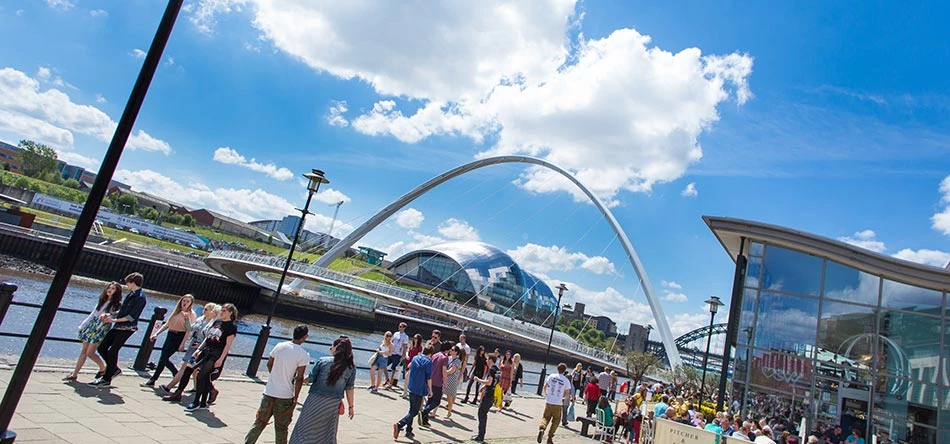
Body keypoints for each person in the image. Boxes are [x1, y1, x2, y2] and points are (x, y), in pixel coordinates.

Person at [245, 325, 311, 444]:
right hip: (285, 395)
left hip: (270, 391)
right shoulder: (303, 354)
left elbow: (269, 363)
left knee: (259, 422)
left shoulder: (279, 346)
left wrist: (274, 375)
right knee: (281, 428)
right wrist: (296, 397)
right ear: (305, 337)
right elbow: (299, 377)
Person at [289, 336, 356, 444]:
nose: (330, 348)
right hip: (332, 404)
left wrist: (296, 376)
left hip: (314, 400)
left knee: (304, 428)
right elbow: (349, 389)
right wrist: (351, 407)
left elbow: (309, 379)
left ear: (336, 348)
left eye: (332, 346)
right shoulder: (351, 367)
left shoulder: (322, 361)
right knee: (326, 433)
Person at [90, 272, 146, 387]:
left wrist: (113, 320)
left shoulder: (140, 298)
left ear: (132, 282)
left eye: (128, 283)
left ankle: (106, 378)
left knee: (113, 350)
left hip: (127, 328)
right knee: (102, 347)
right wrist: (110, 315)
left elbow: (131, 317)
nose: (126, 285)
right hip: (118, 326)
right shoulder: (131, 294)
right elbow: (123, 311)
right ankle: (113, 369)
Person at [183, 303, 238, 411]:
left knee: (202, 376)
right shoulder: (217, 322)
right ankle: (203, 402)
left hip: (216, 354)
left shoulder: (232, 327)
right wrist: (199, 349)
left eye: (224, 311)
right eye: (221, 310)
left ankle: (196, 401)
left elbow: (228, 345)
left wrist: (221, 359)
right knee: (196, 372)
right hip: (206, 351)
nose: (222, 313)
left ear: (230, 313)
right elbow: (208, 337)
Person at [64, 281, 122, 382]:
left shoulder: (116, 304)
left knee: (90, 352)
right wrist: (83, 325)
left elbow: (113, 315)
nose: (110, 290)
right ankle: (75, 373)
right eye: (109, 287)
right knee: (84, 350)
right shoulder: (102, 300)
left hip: (102, 326)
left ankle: (103, 368)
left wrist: (107, 316)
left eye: (113, 289)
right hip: (92, 324)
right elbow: (93, 314)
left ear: (116, 292)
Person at [160, 303, 219, 399]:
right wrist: (187, 319)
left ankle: (169, 387)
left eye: (207, 309)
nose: (204, 311)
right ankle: (207, 389)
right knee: (194, 370)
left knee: (185, 367)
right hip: (193, 345)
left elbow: (208, 338)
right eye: (204, 308)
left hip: (199, 348)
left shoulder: (212, 324)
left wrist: (200, 347)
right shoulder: (200, 319)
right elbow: (190, 329)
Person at [144, 294, 196, 387]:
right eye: (184, 300)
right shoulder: (176, 311)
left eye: (188, 301)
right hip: (170, 334)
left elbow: (189, 329)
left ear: (191, 303)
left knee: (163, 358)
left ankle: (153, 379)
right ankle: (175, 373)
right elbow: (167, 324)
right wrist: (156, 333)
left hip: (179, 336)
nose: (185, 303)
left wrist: (183, 344)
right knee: (164, 357)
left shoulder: (191, 314)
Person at [393, 345, 434, 440]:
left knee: (411, 409)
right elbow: (428, 378)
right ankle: (400, 424)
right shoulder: (428, 362)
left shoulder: (416, 358)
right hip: (420, 388)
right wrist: (430, 390)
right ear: (431, 353)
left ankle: (409, 430)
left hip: (411, 386)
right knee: (415, 411)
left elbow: (409, 365)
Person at [537, 363, 572, 444]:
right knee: (556, 420)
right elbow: (568, 393)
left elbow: (545, 386)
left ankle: (542, 428)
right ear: (564, 371)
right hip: (558, 403)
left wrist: (546, 393)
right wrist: (564, 399)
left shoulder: (551, 376)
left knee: (545, 417)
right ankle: (550, 436)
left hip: (549, 401)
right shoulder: (566, 380)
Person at [422, 341, 452, 419]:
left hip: (430, 379)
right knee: (436, 401)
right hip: (438, 381)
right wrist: (446, 383)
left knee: (430, 399)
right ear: (448, 349)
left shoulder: (435, 355)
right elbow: (444, 371)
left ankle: (424, 417)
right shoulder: (445, 358)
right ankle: (425, 411)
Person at [472, 365, 500, 442]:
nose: (486, 361)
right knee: (483, 414)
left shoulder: (491, 370)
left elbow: (489, 382)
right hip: (492, 395)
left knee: (481, 413)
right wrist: (484, 386)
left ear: (490, 360)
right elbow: (494, 382)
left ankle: (480, 435)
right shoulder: (497, 370)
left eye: (488, 359)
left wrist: (478, 380)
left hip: (488, 395)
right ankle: (481, 434)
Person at [385, 322, 409, 389]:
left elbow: (404, 346)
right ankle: (387, 379)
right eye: (399, 326)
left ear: (404, 328)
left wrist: (403, 356)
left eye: (401, 326)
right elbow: (391, 342)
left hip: (398, 354)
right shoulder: (395, 334)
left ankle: (391, 383)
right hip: (392, 352)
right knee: (384, 365)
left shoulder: (405, 336)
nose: (400, 327)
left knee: (393, 369)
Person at [442, 344, 463, 419]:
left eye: (453, 350)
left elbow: (452, 371)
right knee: (444, 394)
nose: (451, 351)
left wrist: (444, 372)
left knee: (449, 397)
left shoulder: (457, 361)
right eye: (451, 349)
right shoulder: (449, 358)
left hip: (452, 380)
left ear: (456, 352)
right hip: (446, 379)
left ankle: (449, 412)